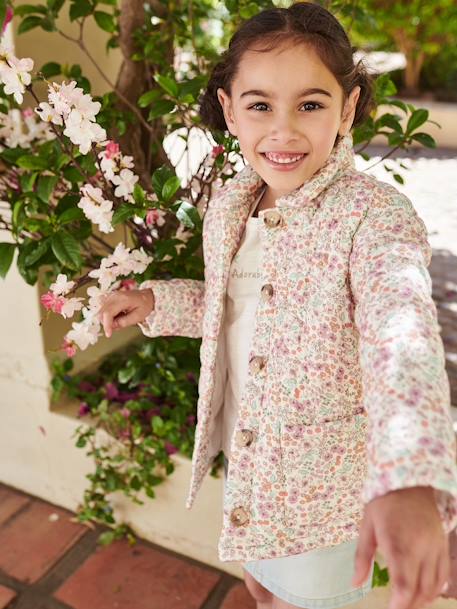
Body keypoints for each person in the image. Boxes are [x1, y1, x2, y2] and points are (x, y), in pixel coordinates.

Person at [97, 3, 457, 609]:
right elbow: (234, 304)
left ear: (348, 109)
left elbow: (402, 331)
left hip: (323, 495)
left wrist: (412, 475)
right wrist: (157, 302)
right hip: (254, 464)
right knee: (261, 586)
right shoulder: (234, 204)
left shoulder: (373, 218)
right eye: (260, 105)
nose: (283, 131)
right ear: (230, 109)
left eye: (310, 105)